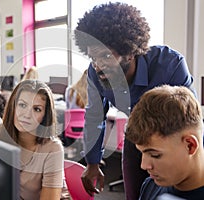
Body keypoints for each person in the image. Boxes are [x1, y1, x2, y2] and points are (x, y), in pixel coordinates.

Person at [74, 2, 195, 199]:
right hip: (136, 135)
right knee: (136, 194)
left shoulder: (170, 64)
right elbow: (94, 118)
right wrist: (92, 163)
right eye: (93, 57)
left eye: (105, 55)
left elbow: (191, 119)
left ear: (130, 51)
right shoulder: (96, 75)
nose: (98, 65)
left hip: (173, 139)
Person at [0, 80, 64, 200]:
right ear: (13, 106)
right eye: (22, 105)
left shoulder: (52, 148)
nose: (27, 115)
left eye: (37, 109)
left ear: (45, 116)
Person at [125, 85, 204, 200]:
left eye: (155, 155)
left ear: (190, 145)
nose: (144, 165)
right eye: (141, 153)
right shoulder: (150, 186)